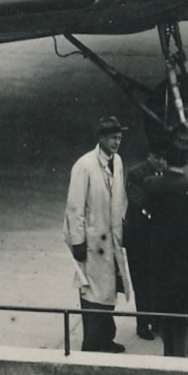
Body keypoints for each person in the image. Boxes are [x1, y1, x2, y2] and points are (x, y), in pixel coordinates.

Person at [64, 116, 129, 353]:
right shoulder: (85, 165)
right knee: (92, 293)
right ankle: (92, 343)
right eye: (113, 137)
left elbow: (119, 198)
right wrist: (78, 242)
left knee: (109, 292)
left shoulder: (117, 162)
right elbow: (75, 207)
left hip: (111, 239)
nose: (117, 142)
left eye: (119, 138)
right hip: (92, 243)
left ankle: (106, 338)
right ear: (101, 138)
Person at [142, 145, 188, 358]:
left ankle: (167, 353)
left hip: (159, 261)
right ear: (185, 162)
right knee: (181, 314)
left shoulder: (151, 184)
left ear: (165, 161)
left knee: (162, 311)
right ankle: (181, 355)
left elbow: (146, 214)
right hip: (184, 263)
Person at [121, 151, 167, 340]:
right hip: (138, 237)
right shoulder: (136, 173)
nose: (161, 162)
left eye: (164, 159)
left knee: (157, 280)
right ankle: (142, 323)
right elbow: (137, 200)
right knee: (141, 281)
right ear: (150, 156)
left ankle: (155, 320)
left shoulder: (163, 173)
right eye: (158, 158)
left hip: (156, 236)